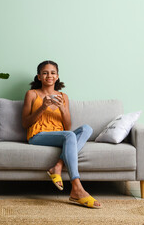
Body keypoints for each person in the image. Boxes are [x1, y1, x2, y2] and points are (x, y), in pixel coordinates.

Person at [21, 60, 102, 209]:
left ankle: (58, 166)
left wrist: (63, 109)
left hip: (60, 134)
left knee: (87, 129)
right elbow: (25, 123)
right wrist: (42, 108)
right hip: (38, 135)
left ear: (57, 76)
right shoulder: (32, 94)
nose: (49, 76)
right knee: (70, 136)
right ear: (39, 76)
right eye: (45, 73)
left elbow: (68, 126)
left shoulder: (63, 96)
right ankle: (76, 186)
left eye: (52, 73)